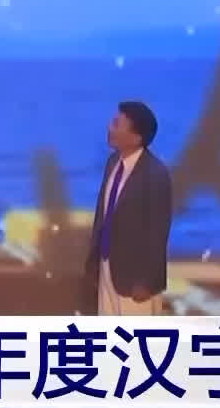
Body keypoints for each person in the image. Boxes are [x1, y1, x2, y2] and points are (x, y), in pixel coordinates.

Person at [87, 100, 172, 316]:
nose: (109, 127)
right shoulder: (112, 163)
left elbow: (158, 232)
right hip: (107, 270)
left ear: (136, 138)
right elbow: (103, 216)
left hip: (135, 283)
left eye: (117, 124)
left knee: (134, 337)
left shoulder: (155, 174)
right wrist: (95, 262)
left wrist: (148, 281)